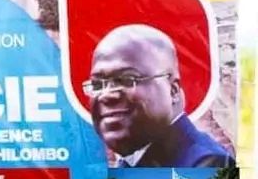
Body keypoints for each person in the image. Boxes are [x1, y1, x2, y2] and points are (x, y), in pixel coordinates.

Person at [85, 24, 234, 168]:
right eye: (97, 85)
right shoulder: (135, 162)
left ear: (173, 90)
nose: (106, 96)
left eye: (127, 80)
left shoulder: (205, 166)